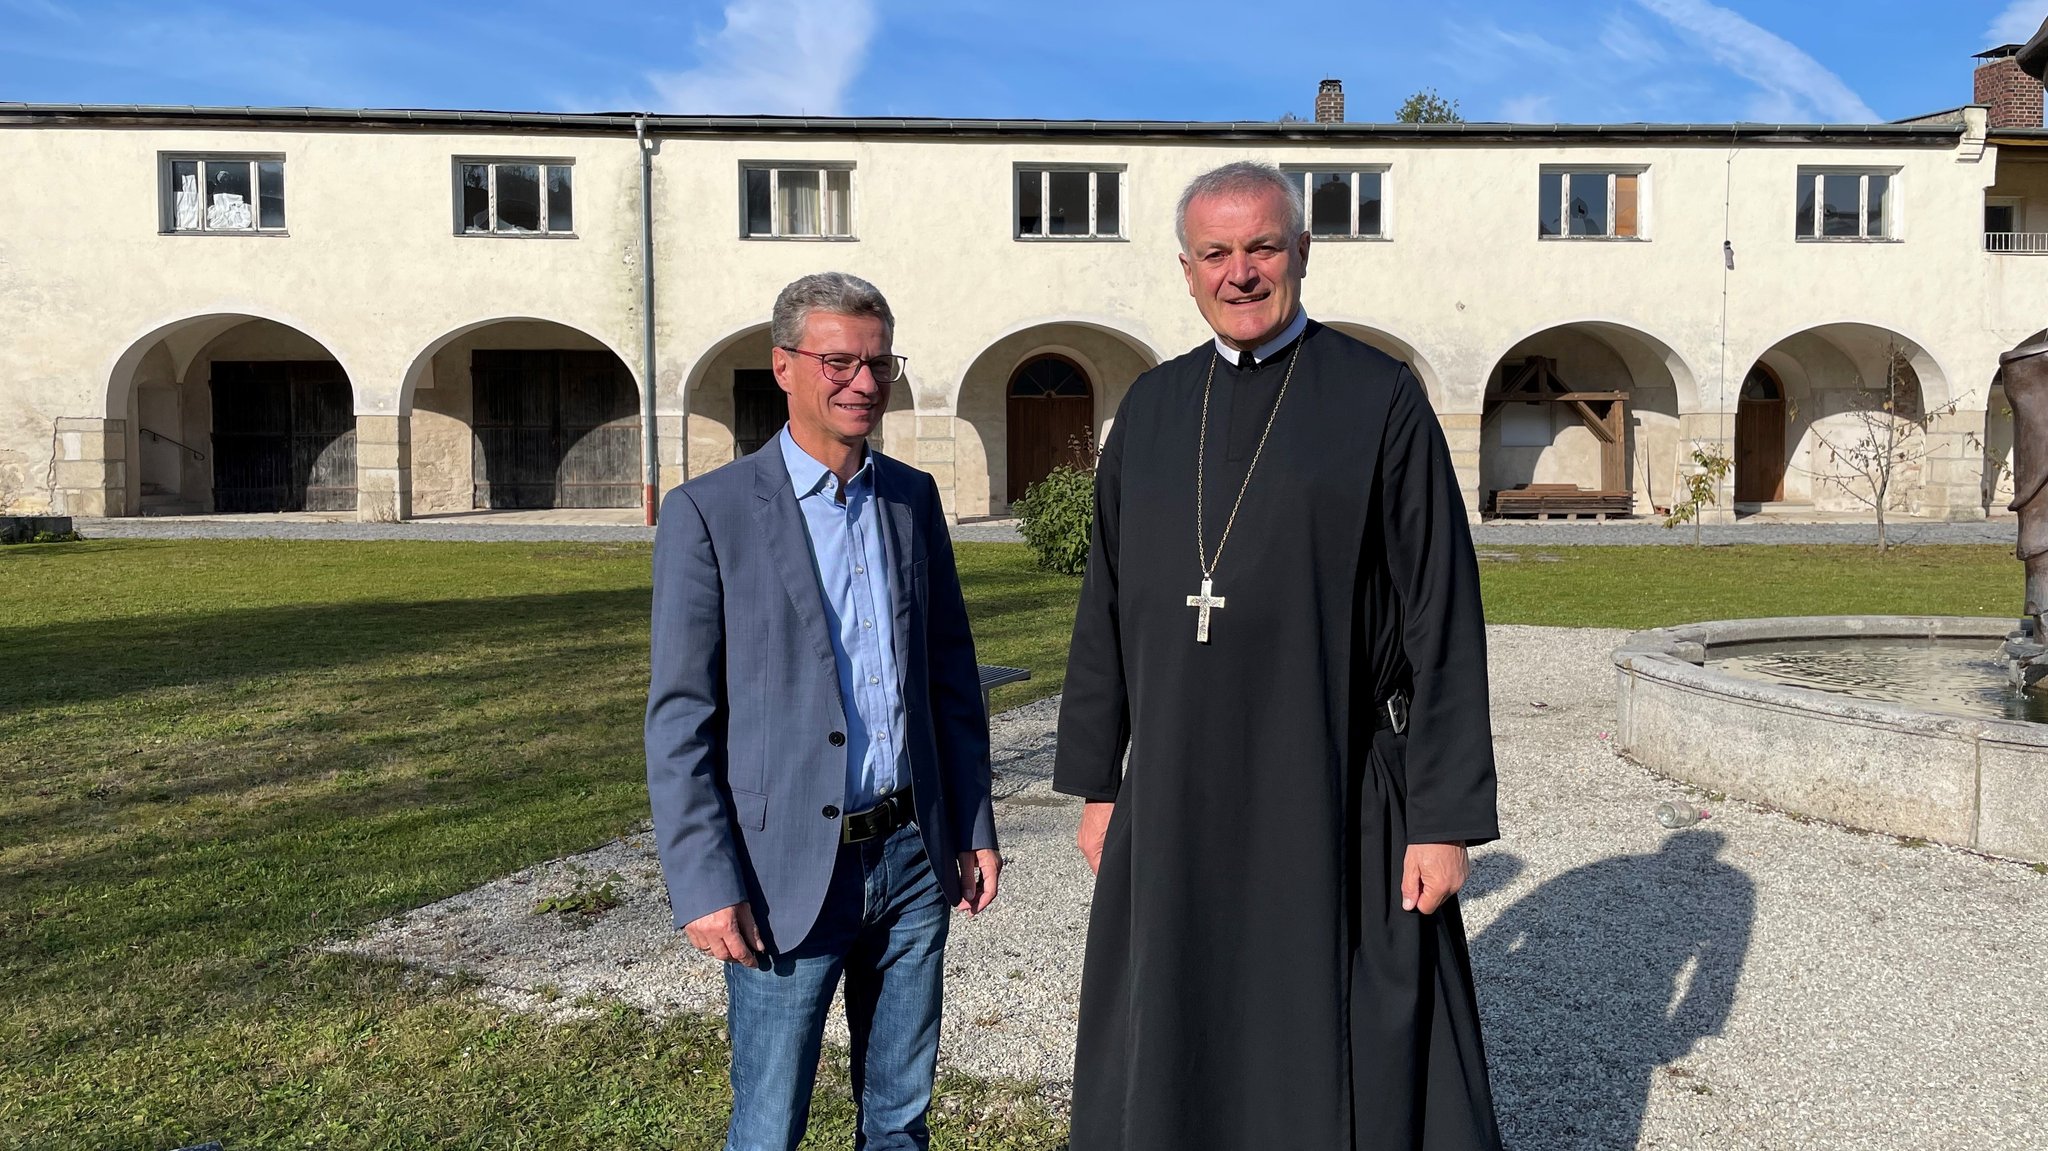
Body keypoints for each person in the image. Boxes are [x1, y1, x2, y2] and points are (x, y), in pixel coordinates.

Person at [1053, 161, 1504, 1150]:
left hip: (1329, 774)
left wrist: (1442, 816)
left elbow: (1440, 611)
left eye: (1262, 246)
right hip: (1173, 786)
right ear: (1185, 270)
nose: (1240, 271)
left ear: (1300, 253)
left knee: (1338, 1016)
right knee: (1179, 1006)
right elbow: (1107, 603)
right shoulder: (1152, 411)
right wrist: (1096, 779)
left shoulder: (1378, 397)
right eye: (1216, 252)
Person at [646, 271, 1002, 1151]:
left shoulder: (912, 501)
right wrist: (704, 881)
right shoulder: (709, 513)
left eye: (879, 363)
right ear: (784, 365)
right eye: (838, 360)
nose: (863, 383)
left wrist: (973, 822)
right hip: (783, 873)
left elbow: (951, 681)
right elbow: (681, 714)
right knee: (769, 1128)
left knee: (900, 1115)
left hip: (914, 858)